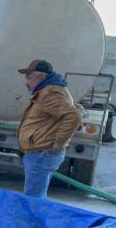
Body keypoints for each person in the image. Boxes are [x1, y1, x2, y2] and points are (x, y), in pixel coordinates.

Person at [17, 59, 82, 198]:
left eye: (29, 78)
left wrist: (59, 143)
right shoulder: (50, 90)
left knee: (33, 197)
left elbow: (73, 116)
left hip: (42, 153)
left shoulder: (50, 93)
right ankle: (36, 218)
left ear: (41, 77)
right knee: (37, 195)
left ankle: (33, 220)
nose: (26, 82)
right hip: (41, 152)